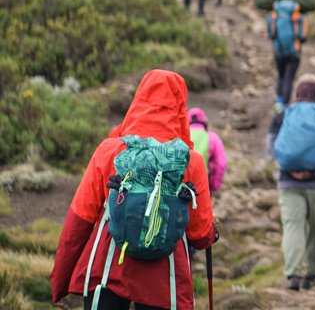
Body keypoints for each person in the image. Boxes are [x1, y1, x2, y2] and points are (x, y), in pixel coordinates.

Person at [49, 70, 218, 310]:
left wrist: (60, 283)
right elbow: (199, 236)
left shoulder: (108, 151)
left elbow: (79, 222)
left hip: (107, 273)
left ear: (138, 100)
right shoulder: (190, 161)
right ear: (181, 107)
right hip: (166, 284)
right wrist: (213, 234)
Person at [268, 74, 315, 290]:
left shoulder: (284, 113)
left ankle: (293, 275)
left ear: (297, 92)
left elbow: (271, 144)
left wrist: (286, 166)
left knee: (292, 227)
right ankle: (311, 274)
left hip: (289, 182)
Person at [266, 0, 307, 112]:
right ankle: (284, 105)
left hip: (278, 52)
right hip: (294, 52)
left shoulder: (274, 16)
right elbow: (303, 37)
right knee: (289, 78)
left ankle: (278, 101)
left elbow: (270, 35)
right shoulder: (298, 16)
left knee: (281, 75)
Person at [187, 108, 229, 193]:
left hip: (181, 184)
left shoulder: (180, 137)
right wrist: (214, 185)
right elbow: (221, 163)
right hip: (203, 183)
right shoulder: (212, 137)